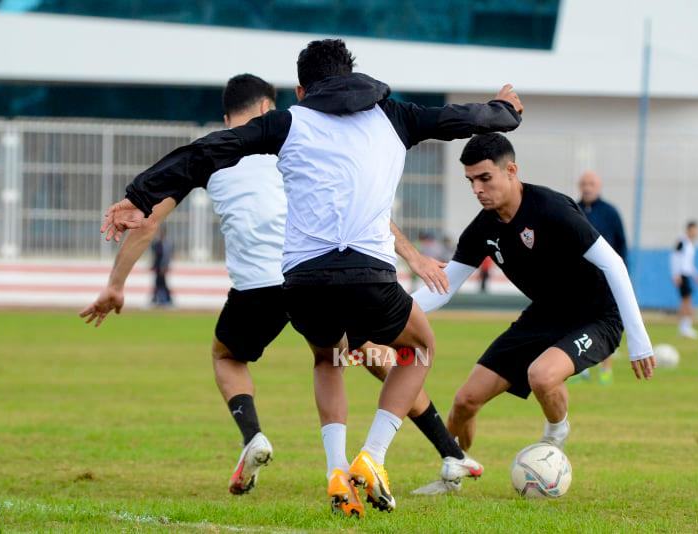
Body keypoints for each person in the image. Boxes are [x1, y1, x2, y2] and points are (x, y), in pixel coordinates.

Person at [98, 39, 522, 514]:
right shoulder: (396, 117)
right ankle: (373, 457)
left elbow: (208, 151)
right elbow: (463, 118)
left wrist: (140, 193)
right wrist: (505, 110)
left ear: (301, 91)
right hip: (370, 278)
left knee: (329, 360)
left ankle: (337, 470)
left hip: (302, 284)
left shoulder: (287, 122)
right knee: (418, 348)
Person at [411, 134, 655, 471]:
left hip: (597, 316)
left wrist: (639, 341)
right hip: (544, 315)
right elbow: (443, 286)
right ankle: (453, 470)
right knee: (465, 401)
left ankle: (555, 435)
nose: (477, 189)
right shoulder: (483, 228)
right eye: (471, 181)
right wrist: (392, 315)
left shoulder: (552, 208)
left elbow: (613, 263)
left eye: (485, 178)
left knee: (542, 376)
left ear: (511, 170)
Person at [576, 170, 628, 384]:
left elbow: (621, 244)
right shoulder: (573, 210)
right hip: (578, 278)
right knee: (576, 323)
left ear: (599, 186)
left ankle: (606, 369)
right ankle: (580, 370)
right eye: (584, 183)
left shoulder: (610, 212)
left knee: (604, 323)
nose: (588, 187)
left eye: (592, 183)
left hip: (606, 278)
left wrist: (622, 274)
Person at [671, 220, 698, 339]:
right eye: (695, 229)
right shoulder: (682, 241)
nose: (696, 232)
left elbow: (688, 263)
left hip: (687, 275)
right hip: (682, 275)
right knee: (686, 301)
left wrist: (696, 275)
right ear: (689, 229)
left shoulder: (690, 244)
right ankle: (684, 328)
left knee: (687, 301)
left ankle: (685, 327)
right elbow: (675, 257)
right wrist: (676, 274)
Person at [150, 225, 173, 306]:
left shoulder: (167, 243)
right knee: (158, 283)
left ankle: (166, 300)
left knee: (161, 283)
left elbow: (167, 256)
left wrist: (164, 267)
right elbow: (155, 255)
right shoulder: (157, 242)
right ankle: (157, 299)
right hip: (158, 267)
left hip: (162, 267)